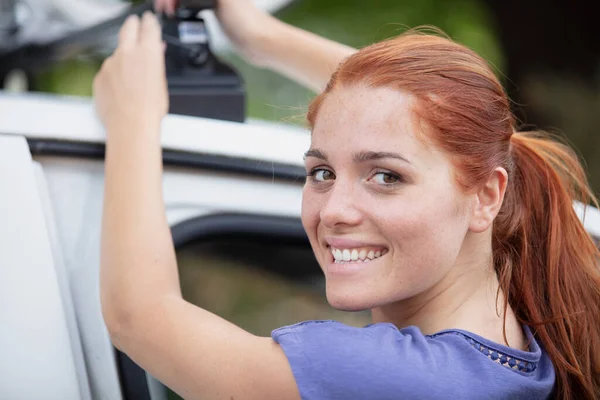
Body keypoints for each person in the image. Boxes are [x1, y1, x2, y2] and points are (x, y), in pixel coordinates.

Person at [93, 1, 600, 399]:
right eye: (322, 172)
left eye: (385, 177)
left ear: (487, 195)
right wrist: (258, 36)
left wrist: (133, 119)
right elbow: (413, 117)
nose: (333, 210)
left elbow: (138, 316)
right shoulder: (523, 343)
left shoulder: (392, 378)